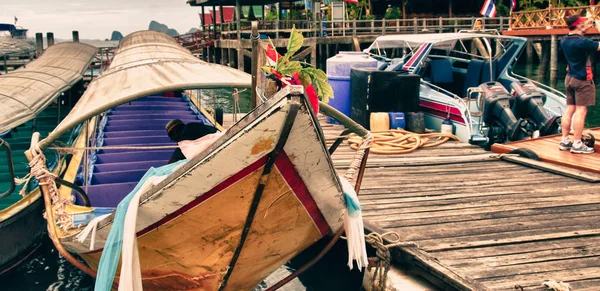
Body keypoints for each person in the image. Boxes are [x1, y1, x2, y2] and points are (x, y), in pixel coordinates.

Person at [559, 15, 600, 154]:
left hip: (569, 78)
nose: (585, 24)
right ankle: (577, 143)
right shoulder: (582, 43)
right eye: (583, 23)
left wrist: (586, 26)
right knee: (581, 111)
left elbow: (580, 33)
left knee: (570, 109)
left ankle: (564, 141)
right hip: (582, 79)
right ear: (577, 25)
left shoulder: (564, 40)